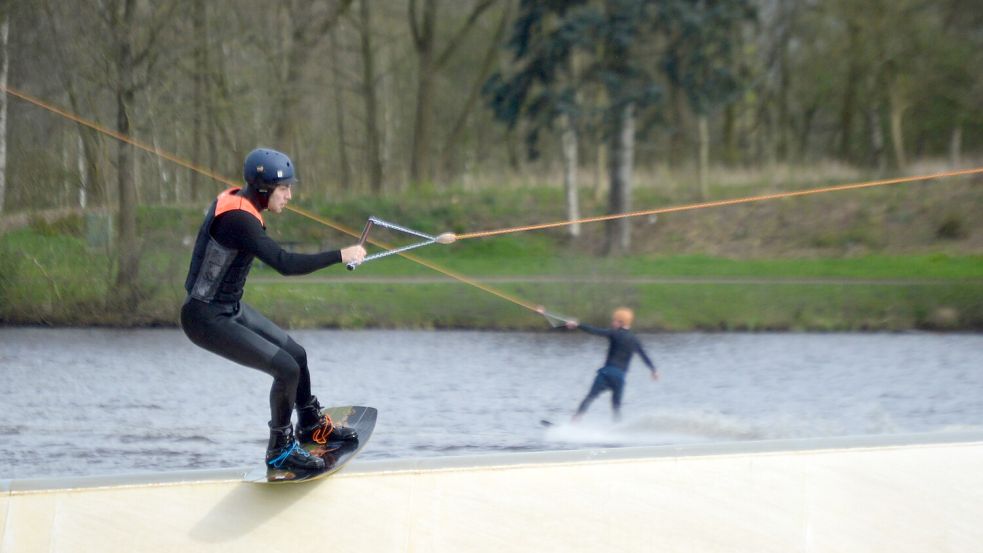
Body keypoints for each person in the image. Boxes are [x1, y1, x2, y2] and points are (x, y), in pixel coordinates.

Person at [181, 147, 367, 474]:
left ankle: (310, 425)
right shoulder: (238, 218)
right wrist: (341, 254)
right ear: (264, 188)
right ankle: (280, 451)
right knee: (286, 369)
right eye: (285, 189)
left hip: (228, 309)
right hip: (205, 318)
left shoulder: (243, 203)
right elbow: (285, 264)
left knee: (296, 355)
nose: (290, 196)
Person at [564, 307, 657, 422]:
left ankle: (574, 422)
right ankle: (617, 429)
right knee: (616, 407)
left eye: (614, 321)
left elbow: (595, 330)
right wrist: (653, 370)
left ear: (620, 322)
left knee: (590, 397)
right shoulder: (634, 340)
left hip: (606, 373)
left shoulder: (614, 333)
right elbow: (644, 356)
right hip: (620, 378)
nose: (612, 323)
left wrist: (577, 325)